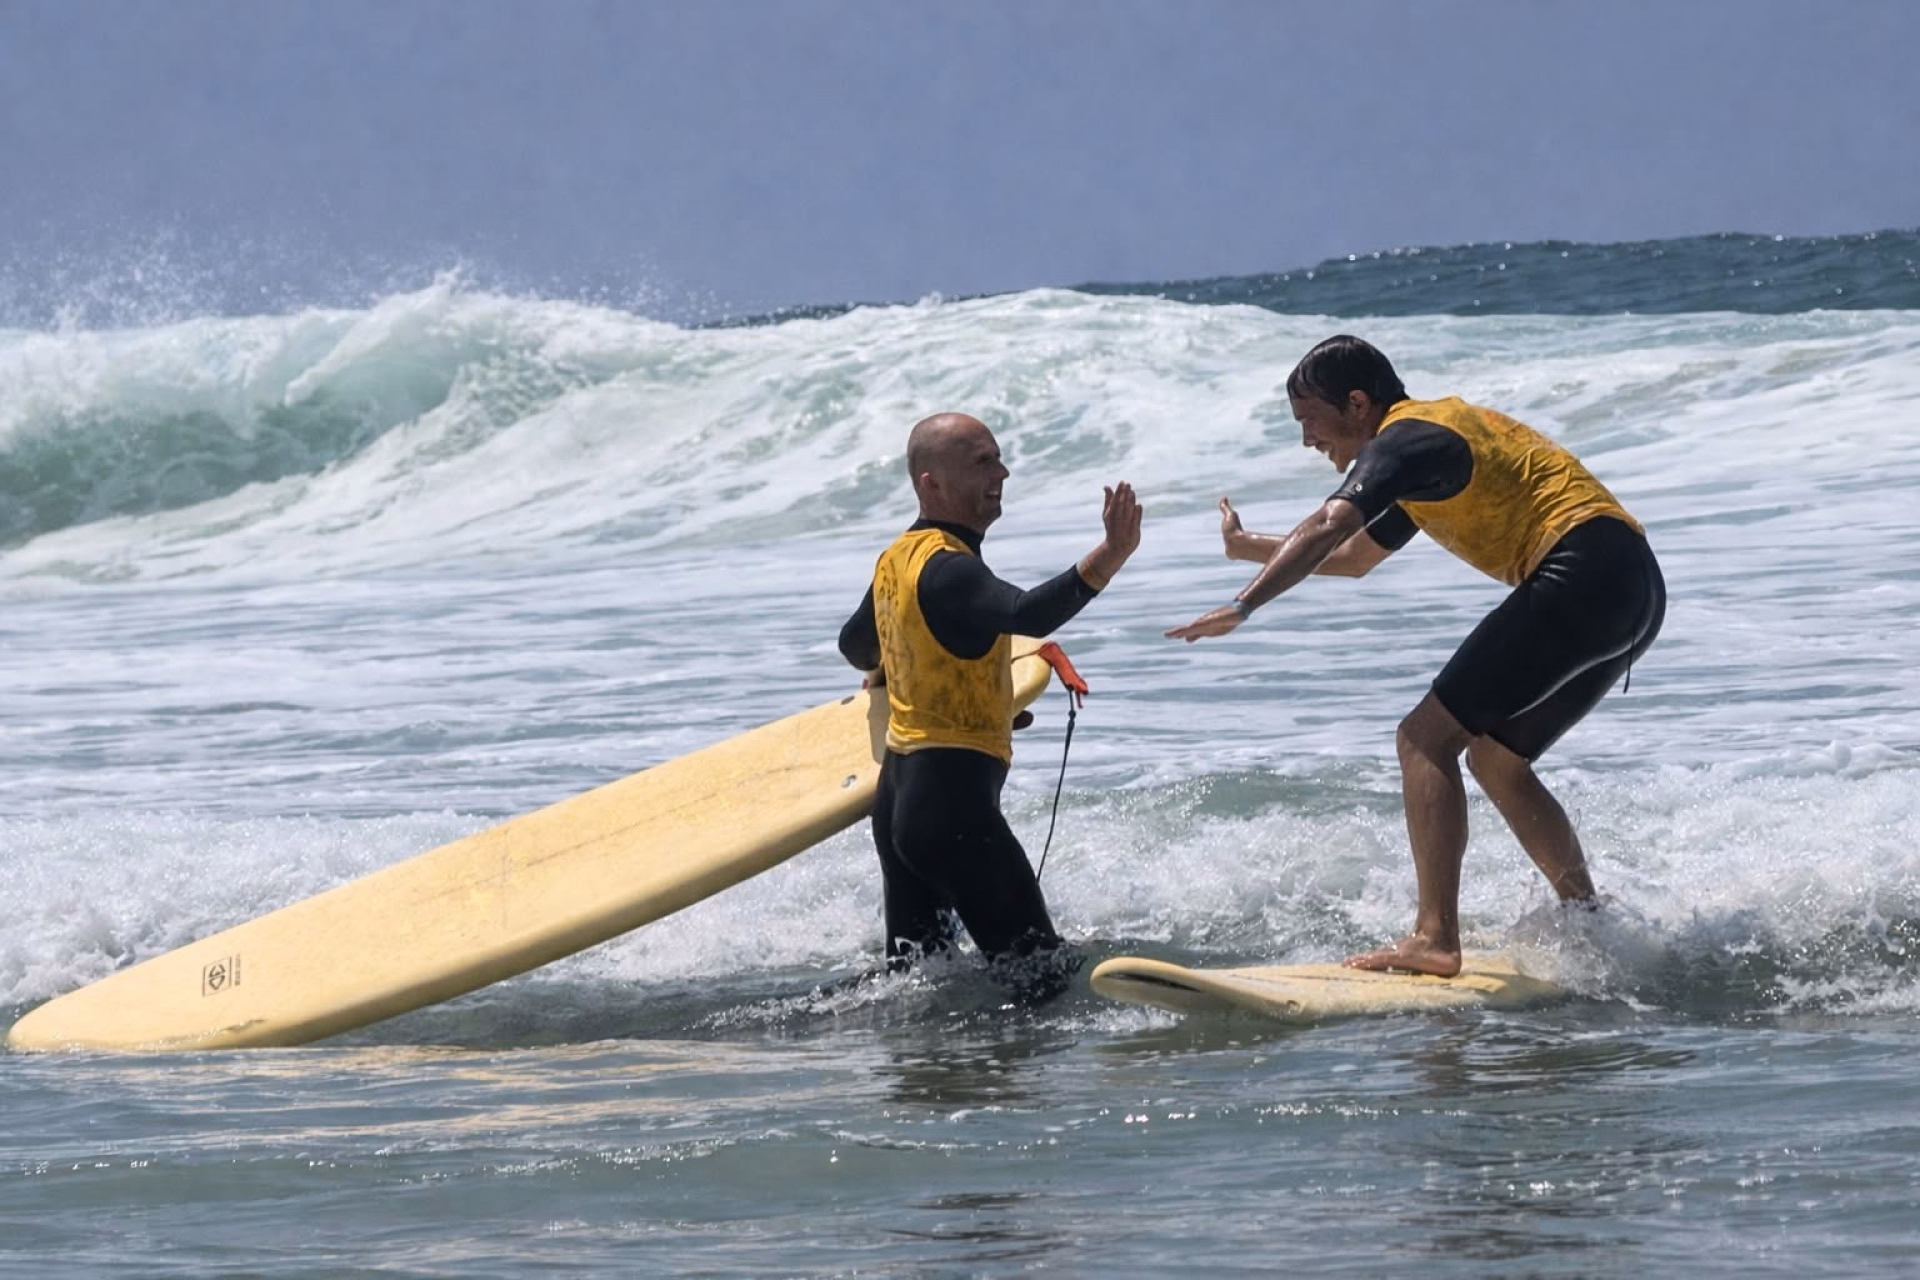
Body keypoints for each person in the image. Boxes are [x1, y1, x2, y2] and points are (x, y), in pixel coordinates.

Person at [1166, 335, 1664, 977]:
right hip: (1632, 587)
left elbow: (1327, 528)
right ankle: (1586, 916)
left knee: (1423, 738)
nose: (1308, 441)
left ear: (1356, 402)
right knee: (1496, 759)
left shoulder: (1405, 438)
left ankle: (1434, 937)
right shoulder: (1420, 456)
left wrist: (1244, 605)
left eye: (1308, 420)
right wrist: (1246, 548)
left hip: (1585, 570)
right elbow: (1352, 558)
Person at [839, 411, 1141, 996]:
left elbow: (856, 645)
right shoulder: (949, 569)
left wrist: (890, 668)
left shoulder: (897, 561)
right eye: (982, 462)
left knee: (920, 989)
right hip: (952, 811)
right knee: (1045, 980)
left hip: (900, 803)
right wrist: (1111, 553)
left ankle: (932, 1085)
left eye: (998, 458)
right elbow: (1026, 613)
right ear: (931, 482)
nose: (1001, 472)